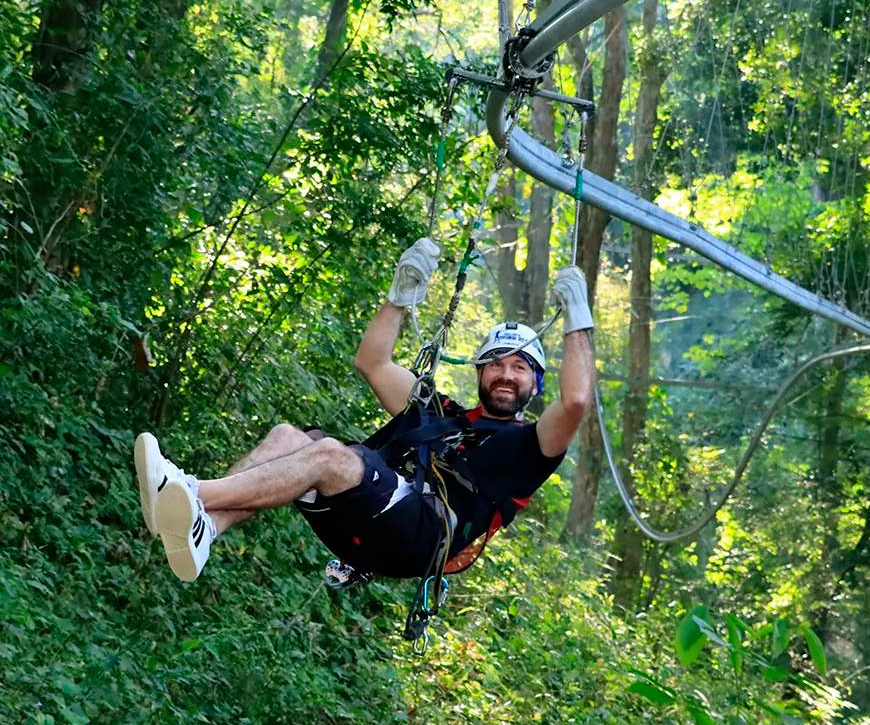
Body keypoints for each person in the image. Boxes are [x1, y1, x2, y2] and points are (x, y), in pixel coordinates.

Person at [133, 239, 595, 584]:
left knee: (332, 455)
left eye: (519, 368)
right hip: (372, 524)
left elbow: (575, 401)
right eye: (496, 364)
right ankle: (207, 528)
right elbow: (372, 362)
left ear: (535, 383)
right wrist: (399, 296)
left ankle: (193, 491)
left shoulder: (530, 447)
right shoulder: (443, 416)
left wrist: (577, 320)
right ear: (479, 374)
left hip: (420, 538)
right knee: (288, 439)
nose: (505, 374)